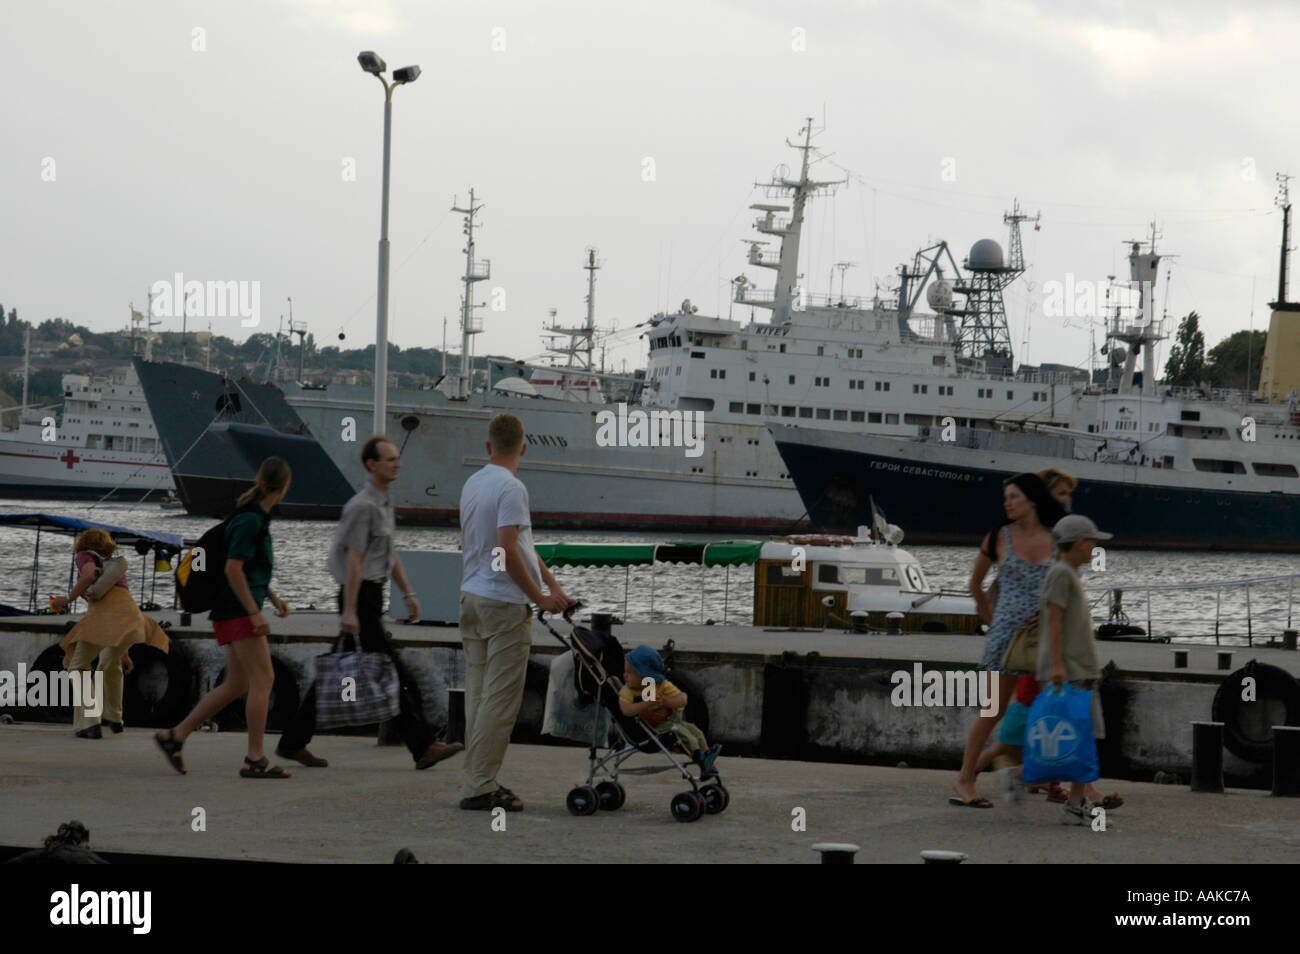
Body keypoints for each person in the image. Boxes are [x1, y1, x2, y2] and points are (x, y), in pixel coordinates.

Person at [277, 435, 463, 770]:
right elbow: (355, 560)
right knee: (394, 672)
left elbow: (388, 555)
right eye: (390, 459)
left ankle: (292, 742)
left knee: (337, 671)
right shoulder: (363, 507)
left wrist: (408, 593)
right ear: (371, 464)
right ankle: (422, 746)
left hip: (370, 594)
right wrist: (349, 610)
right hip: (358, 593)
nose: (397, 463)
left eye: (396, 458)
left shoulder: (383, 504)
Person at [458, 414, 571, 812]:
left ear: (488, 447)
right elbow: (506, 553)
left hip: (471, 598)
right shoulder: (513, 488)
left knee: (478, 695)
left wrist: (552, 585)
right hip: (503, 606)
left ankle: (475, 776)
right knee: (501, 700)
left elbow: (521, 544)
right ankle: (480, 785)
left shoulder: (474, 483)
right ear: (523, 447)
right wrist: (540, 600)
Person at [154, 457, 293, 778]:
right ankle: (255, 759)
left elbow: (249, 567)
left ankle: (175, 737)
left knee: (237, 683)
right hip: (238, 612)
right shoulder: (250, 521)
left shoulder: (254, 517)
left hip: (235, 610)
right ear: (283, 487)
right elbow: (232, 569)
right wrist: (255, 612)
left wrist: (273, 598)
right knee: (264, 681)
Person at [953, 472, 1066, 807]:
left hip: (1046, 636)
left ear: (1032, 498)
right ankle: (965, 780)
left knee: (1060, 709)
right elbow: (975, 585)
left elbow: (1065, 585)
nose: (1007, 503)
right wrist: (994, 621)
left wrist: (1048, 614)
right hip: (1006, 639)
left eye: (1014, 496)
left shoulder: (1057, 536)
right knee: (993, 710)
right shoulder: (998, 536)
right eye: (1006, 497)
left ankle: (1072, 785)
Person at [1039, 514, 1123, 823]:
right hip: (1072, 673)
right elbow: (1055, 619)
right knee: (1080, 738)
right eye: (1092, 542)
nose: (1095, 549)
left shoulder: (1069, 572)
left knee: (1084, 739)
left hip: (1081, 671)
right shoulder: (1061, 574)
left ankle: (1077, 803)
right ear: (1078, 543)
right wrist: (1058, 665)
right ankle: (1076, 805)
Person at [54, 529, 169, 739]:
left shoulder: (85, 556)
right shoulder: (113, 566)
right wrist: (123, 651)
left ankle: (90, 723)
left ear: (84, 543)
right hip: (130, 617)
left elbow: (88, 575)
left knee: (77, 666)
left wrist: (67, 599)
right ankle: (115, 718)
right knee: (110, 662)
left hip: (106, 618)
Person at [619, 645, 720, 776]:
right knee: (684, 735)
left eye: (630, 673)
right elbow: (626, 710)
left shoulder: (661, 685)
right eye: (625, 671)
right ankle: (699, 756)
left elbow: (682, 699)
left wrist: (666, 701)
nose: (625, 676)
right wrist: (646, 703)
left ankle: (707, 757)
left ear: (647, 676)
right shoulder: (628, 691)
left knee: (697, 732)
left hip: (672, 721)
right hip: (654, 729)